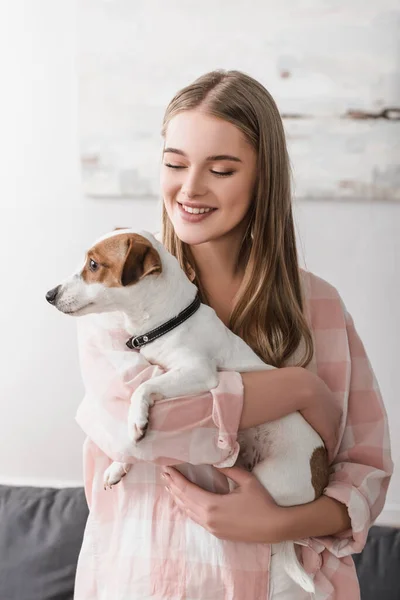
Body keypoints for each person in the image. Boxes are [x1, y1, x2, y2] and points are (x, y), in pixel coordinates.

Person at [73, 70, 393, 599]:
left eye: (220, 169)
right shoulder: (112, 295)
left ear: (262, 178)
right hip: (144, 579)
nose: (190, 188)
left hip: (287, 585)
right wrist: (298, 390)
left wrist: (273, 523)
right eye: (175, 164)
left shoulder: (318, 306)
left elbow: (366, 474)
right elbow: (140, 428)